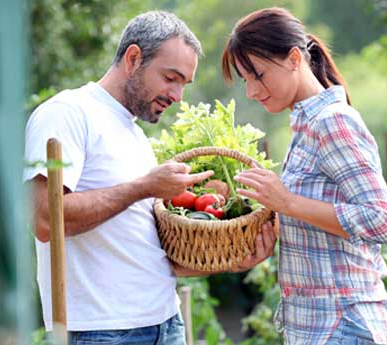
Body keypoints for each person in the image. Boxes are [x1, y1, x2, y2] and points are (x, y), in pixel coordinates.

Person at [24, 11, 276, 345]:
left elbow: (148, 254)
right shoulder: (68, 113)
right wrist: (144, 187)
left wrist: (229, 261)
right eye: (170, 77)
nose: (177, 96)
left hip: (165, 323)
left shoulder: (135, 137)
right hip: (102, 331)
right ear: (133, 58)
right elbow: (44, 219)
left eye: (184, 84)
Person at [222, 7, 387, 345]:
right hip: (317, 329)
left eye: (257, 75)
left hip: (345, 325)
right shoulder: (303, 129)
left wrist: (287, 202)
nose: (252, 92)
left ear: (293, 58)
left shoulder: (333, 121)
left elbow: (382, 222)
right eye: (246, 80)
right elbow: (318, 223)